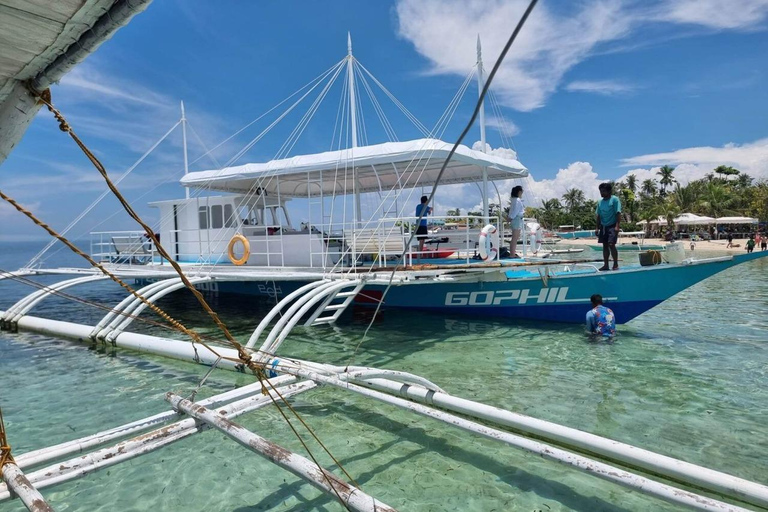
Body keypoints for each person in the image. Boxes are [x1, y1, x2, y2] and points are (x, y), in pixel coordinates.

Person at [595, 182, 621, 271]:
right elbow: (598, 215)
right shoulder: (599, 202)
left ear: (609, 191)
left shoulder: (615, 200)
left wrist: (617, 226)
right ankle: (606, 265)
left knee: (611, 244)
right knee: (604, 245)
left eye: (603, 191)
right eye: (600, 191)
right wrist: (597, 227)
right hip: (603, 226)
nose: (602, 193)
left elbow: (618, 213)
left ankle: (615, 264)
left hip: (612, 225)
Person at [508, 185, 525, 258]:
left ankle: (512, 253)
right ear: (519, 192)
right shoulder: (517, 200)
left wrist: (510, 218)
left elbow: (512, 210)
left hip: (515, 219)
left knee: (514, 237)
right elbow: (516, 211)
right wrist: (511, 218)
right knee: (515, 238)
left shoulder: (513, 200)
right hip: (517, 219)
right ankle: (512, 254)